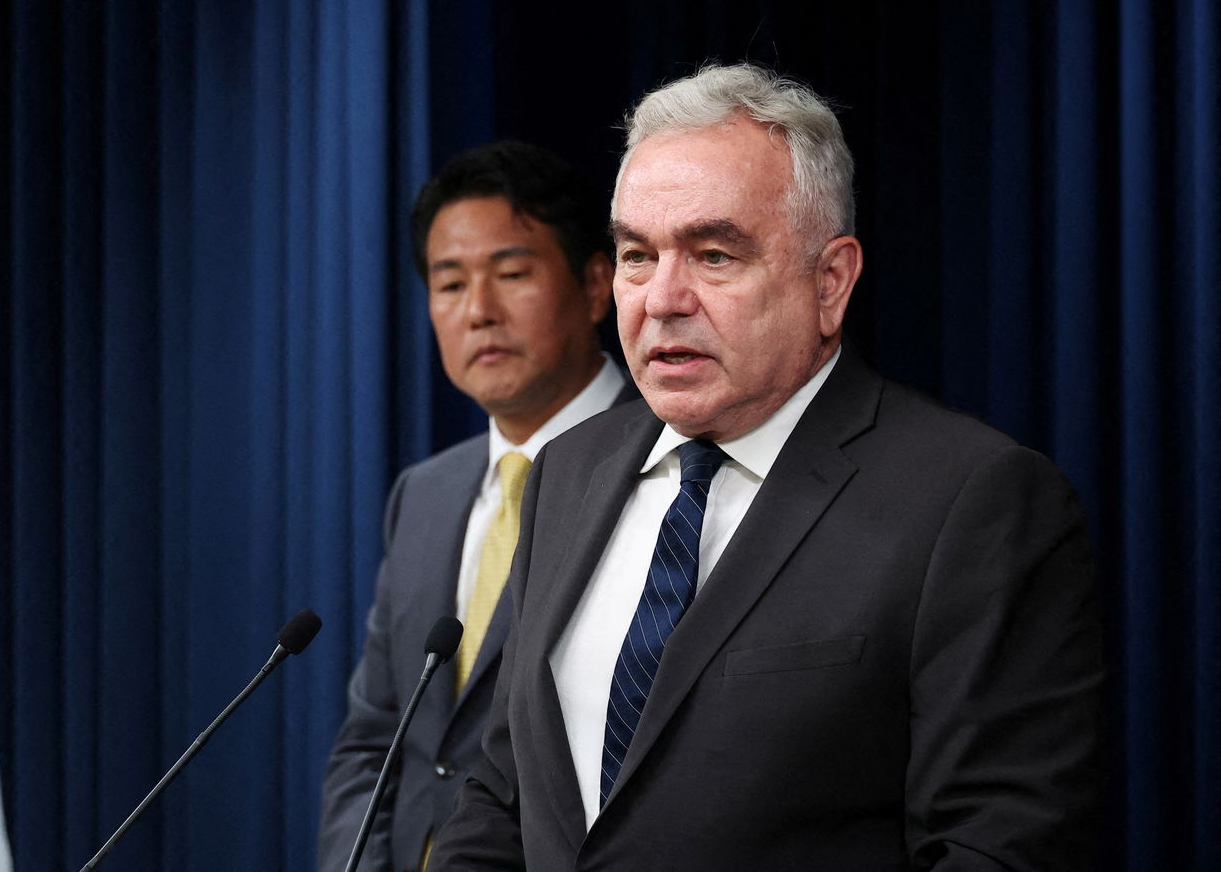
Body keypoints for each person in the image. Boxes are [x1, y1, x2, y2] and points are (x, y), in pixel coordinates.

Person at [429, 64, 1104, 870]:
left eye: (713, 255)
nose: (663, 298)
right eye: (638, 255)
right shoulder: (569, 470)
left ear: (831, 281)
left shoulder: (972, 501)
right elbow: (502, 795)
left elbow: (996, 844)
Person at [319, 141, 636, 872]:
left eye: (513, 274)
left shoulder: (667, 469)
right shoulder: (424, 495)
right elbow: (375, 740)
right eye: (450, 283)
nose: (479, 312)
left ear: (596, 286)